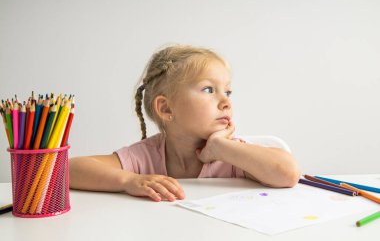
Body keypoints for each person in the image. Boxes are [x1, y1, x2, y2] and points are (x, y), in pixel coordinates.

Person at [69, 44, 300, 202]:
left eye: (228, 92)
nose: (225, 102)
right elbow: (69, 170)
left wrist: (222, 148)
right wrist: (130, 180)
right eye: (209, 89)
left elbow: (288, 173)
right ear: (166, 108)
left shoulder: (232, 156)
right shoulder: (144, 158)